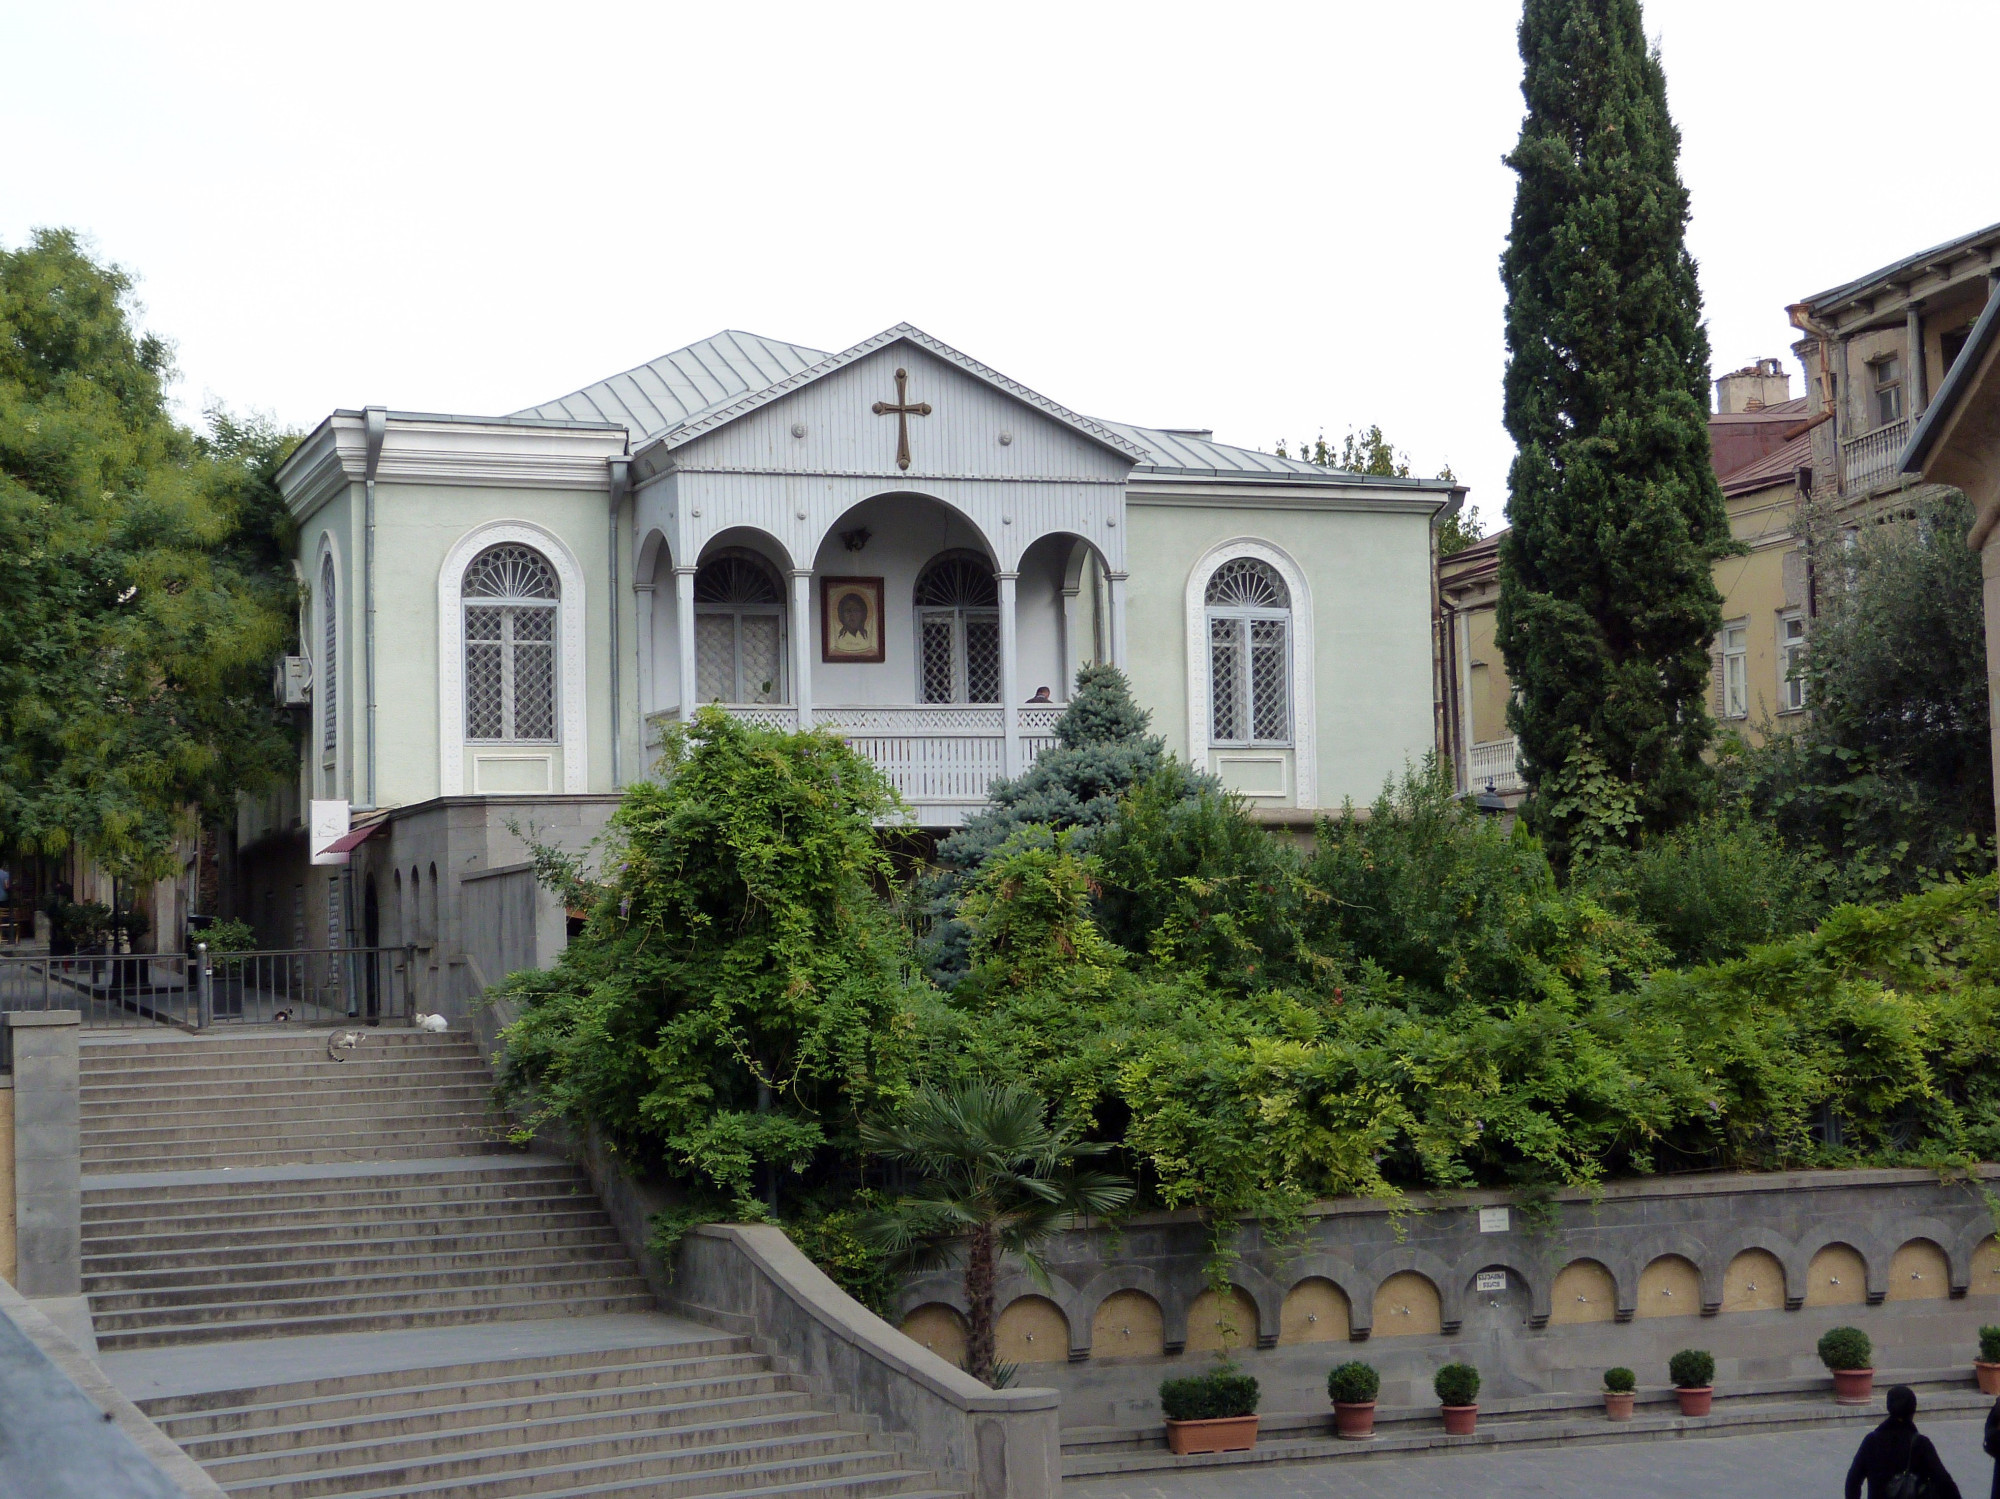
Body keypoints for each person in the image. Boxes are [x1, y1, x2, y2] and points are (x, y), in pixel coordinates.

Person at [1846, 1384, 1960, 1499]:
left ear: (1889, 1407)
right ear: (1913, 1410)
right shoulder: (1921, 1444)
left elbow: (1853, 1481)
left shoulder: (1871, 1441)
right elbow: (1944, 1482)